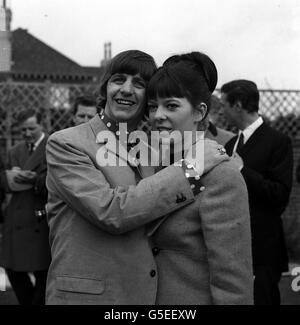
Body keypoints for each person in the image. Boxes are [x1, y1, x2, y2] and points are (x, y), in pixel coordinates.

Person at [45, 50, 228, 305]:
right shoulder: (67, 143)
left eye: (139, 84)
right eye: (118, 79)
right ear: (105, 87)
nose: (127, 90)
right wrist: (191, 170)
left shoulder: (154, 148)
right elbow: (110, 211)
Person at [147, 52, 253, 305]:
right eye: (153, 106)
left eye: (171, 105)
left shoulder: (221, 176)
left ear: (199, 112)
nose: (158, 115)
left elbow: (232, 281)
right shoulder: (151, 166)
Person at [221, 79, 294, 305]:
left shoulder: (278, 141)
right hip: (232, 246)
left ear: (238, 104)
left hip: (263, 249)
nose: (222, 110)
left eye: (224, 104)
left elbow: (279, 195)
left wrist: (243, 169)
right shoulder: (231, 143)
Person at [0, 109, 51, 305]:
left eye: (32, 128)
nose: (27, 133)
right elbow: (4, 185)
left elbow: (61, 181)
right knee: (12, 269)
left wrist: (37, 180)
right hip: (17, 215)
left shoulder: (54, 146)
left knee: (43, 272)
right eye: (23, 130)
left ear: (41, 126)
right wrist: (9, 178)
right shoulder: (14, 151)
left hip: (42, 216)